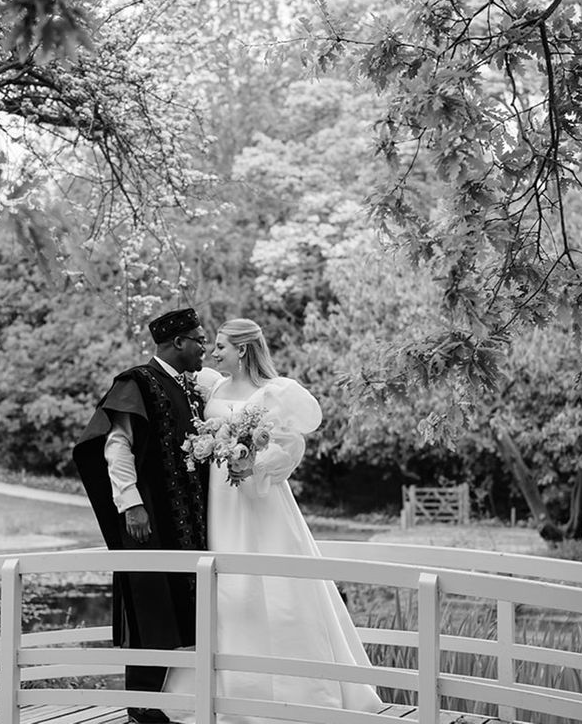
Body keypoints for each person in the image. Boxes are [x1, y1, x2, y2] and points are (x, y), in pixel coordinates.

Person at [164, 317, 383, 724]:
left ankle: (300, 691)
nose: (213, 353)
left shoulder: (274, 393)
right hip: (219, 501)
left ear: (243, 349)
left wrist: (252, 463)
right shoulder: (212, 386)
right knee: (227, 586)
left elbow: (289, 446)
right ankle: (229, 692)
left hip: (258, 500)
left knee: (277, 585)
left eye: (222, 347)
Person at [73, 307, 215, 724]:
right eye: (199, 340)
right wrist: (131, 504)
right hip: (149, 514)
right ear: (178, 343)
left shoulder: (189, 388)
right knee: (149, 600)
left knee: (182, 604)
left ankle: (175, 699)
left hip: (186, 518)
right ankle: (141, 706)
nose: (203, 347)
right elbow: (116, 446)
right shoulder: (137, 382)